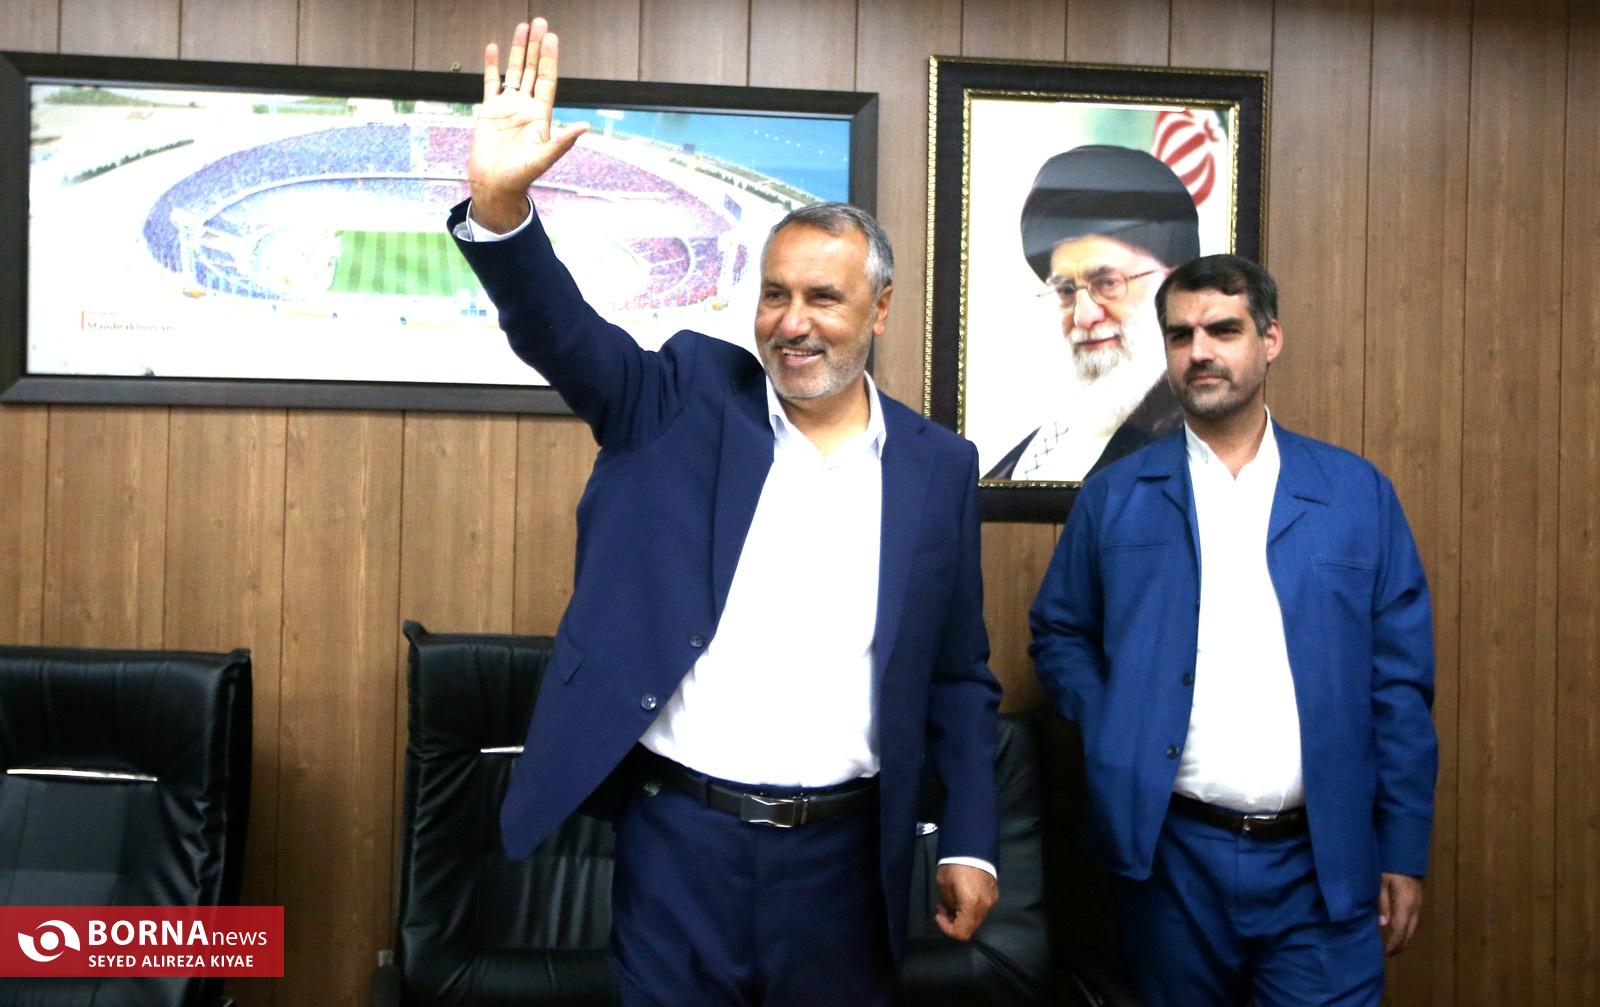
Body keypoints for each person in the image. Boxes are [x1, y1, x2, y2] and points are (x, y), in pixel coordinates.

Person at [448, 20, 1000, 1004]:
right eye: (775, 295)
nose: (793, 322)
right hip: (680, 845)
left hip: (846, 862)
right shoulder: (678, 398)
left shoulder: (939, 467)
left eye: (824, 298)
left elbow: (958, 674)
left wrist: (970, 840)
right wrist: (501, 206)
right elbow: (561, 333)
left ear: (879, 310)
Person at [1029, 254, 1437, 1005]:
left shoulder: (1355, 495)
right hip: (1170, 858)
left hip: (1325, 862)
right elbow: (1059, 632)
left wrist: (1404, 848)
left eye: (1223, 330)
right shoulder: (1116, 496)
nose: (1200, 352)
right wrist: (1113, 724)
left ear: (1269, 339)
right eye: (1181, 335)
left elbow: (1400, 686)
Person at [985, 146, 1194, 482]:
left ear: (1174, 286)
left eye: (1108, 283)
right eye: (1067, 291)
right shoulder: (1045, 438)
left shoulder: (1201, 438)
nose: (1084, 316)